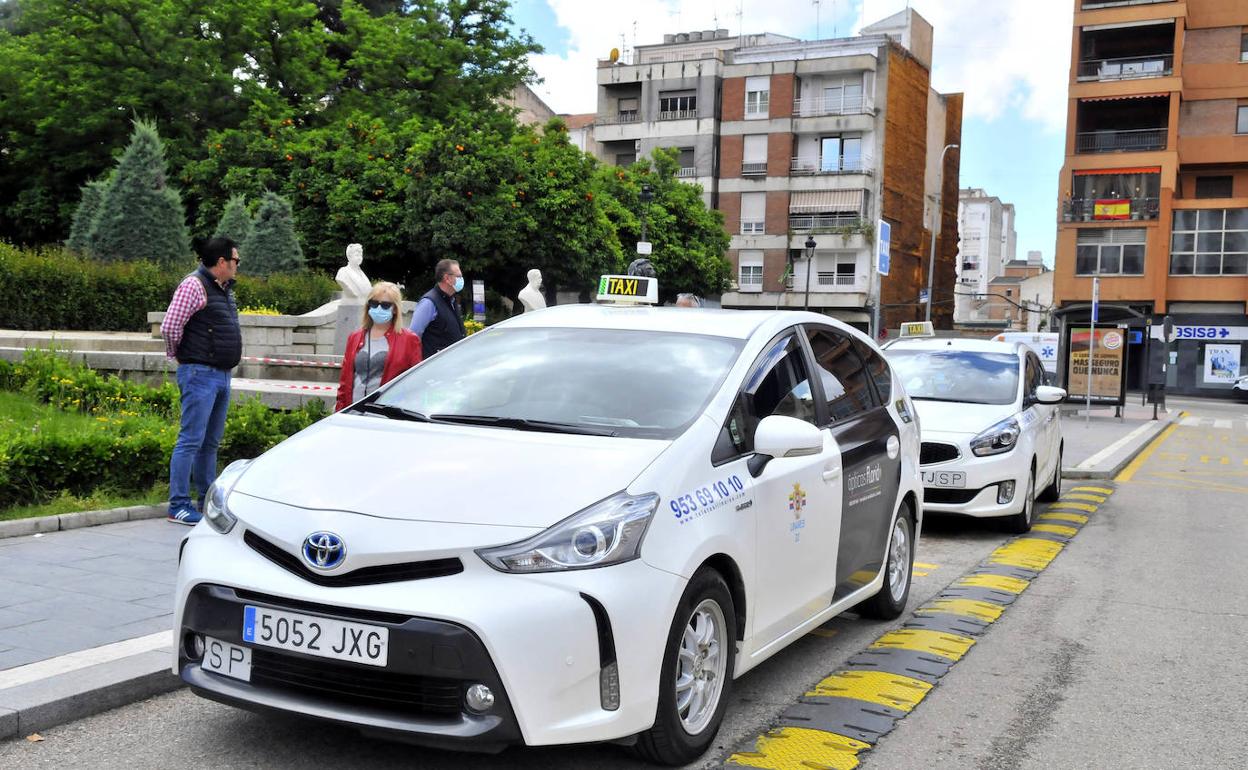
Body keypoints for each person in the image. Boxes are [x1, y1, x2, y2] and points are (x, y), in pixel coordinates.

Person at [160, 237, 242, 525]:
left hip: (221, 374)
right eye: (236, 260)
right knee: (191, 440)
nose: (237, 265)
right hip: (200, 373)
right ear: (221, 262)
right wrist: (180, 356)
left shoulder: (223, 289)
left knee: (211, 442)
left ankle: (206, 499)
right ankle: (178, 504)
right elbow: (170, 327)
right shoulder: (194, 285)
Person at [336, 282, 422, 412]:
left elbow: (415, 383)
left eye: (385, 305)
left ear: (395, 309)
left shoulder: (409, 339)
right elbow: (344, 381)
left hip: (387, 414)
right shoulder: (355, 337)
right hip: (353, 411)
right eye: (374, 303)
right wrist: (340, 410)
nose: (379, 308)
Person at [409, 259, 466, 356]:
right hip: (436, 362)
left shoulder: (451, 300)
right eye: (459, 276)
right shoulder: (429, 303)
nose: (461, 279)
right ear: (447, 278)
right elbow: (413, 336)